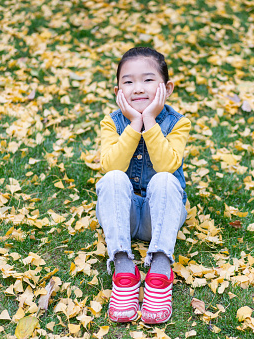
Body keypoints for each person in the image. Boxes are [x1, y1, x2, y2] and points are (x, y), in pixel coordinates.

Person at [95, 47, 191, 324]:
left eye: (148, 80)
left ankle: (160, 269)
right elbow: (111, 165)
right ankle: (124, 269)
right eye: (128, 81)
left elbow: (166, 165)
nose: (138, 88)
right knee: (112, 178)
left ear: (167, 87)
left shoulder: (177, 123)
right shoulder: (111, 122)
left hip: (159, 216)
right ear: (118, 90)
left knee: (164, 179)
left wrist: (149, 121)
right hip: (121, 217)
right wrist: (133, 123)